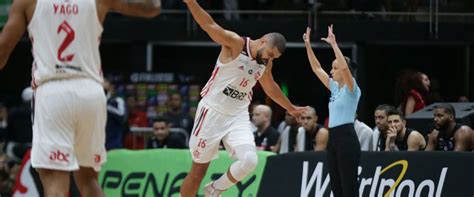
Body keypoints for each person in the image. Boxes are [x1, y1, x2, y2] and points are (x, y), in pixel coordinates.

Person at [0, 0, 161, 196]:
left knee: (54, 180)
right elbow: (152, 8)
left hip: (53, 91)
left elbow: (3, 50)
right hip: (91, 91)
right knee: (89, 179)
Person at [180, 1, 306, 196]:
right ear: (263, 40)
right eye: (270, 54)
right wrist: (191, 2)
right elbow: (209, 25)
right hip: (212, 111)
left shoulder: (265, 63)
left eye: (274, 58)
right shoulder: (236, 43)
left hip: (237, 115)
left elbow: (270, 87)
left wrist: (290, 107)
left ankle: (214, 189)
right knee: (198, 172)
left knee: (250, 161)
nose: (269, 59)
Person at [303, 25, 361, 197]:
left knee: (349, 188)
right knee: (337, 188)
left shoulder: (352, 89)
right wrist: (307, 46)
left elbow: (344, 68)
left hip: (347, 138)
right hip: (333, 139)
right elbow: (317, 68)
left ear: (346, 72)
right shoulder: (335, 88)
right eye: (332, 67)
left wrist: (334, 45)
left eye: (335, 68)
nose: (331, 70)